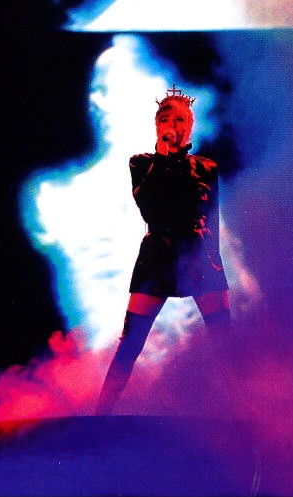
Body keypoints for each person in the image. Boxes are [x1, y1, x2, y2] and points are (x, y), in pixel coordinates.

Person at [95, 85, 230, 414]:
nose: (175, 124)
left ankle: (248, 414)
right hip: (158, 255)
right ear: (157, 125)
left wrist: (214, 268)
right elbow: (149, 208)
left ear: (191, 125)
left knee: (227, 342)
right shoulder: (141, 164)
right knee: (130, 343)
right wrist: (164, 156)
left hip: (199, 255)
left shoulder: (208, 167)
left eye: (182, 119)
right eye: (167, 118)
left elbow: (211, 215)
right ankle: (99, 416)